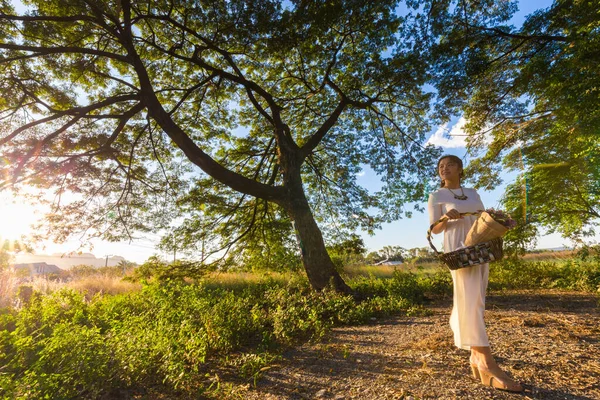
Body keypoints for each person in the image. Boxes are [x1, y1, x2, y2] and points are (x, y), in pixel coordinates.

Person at [428, 154, 523, 392]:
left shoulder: (473, 192)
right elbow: (435, 230)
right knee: (470, 298)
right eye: (441, 166)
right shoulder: (436, 196)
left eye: (449, 164)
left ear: (460, 169)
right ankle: (485, 362)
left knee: (476, 299)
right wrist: (444, 217)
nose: (444, 168)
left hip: (479, 245)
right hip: (458, 248)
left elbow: (483, 218)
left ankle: (475, 356)